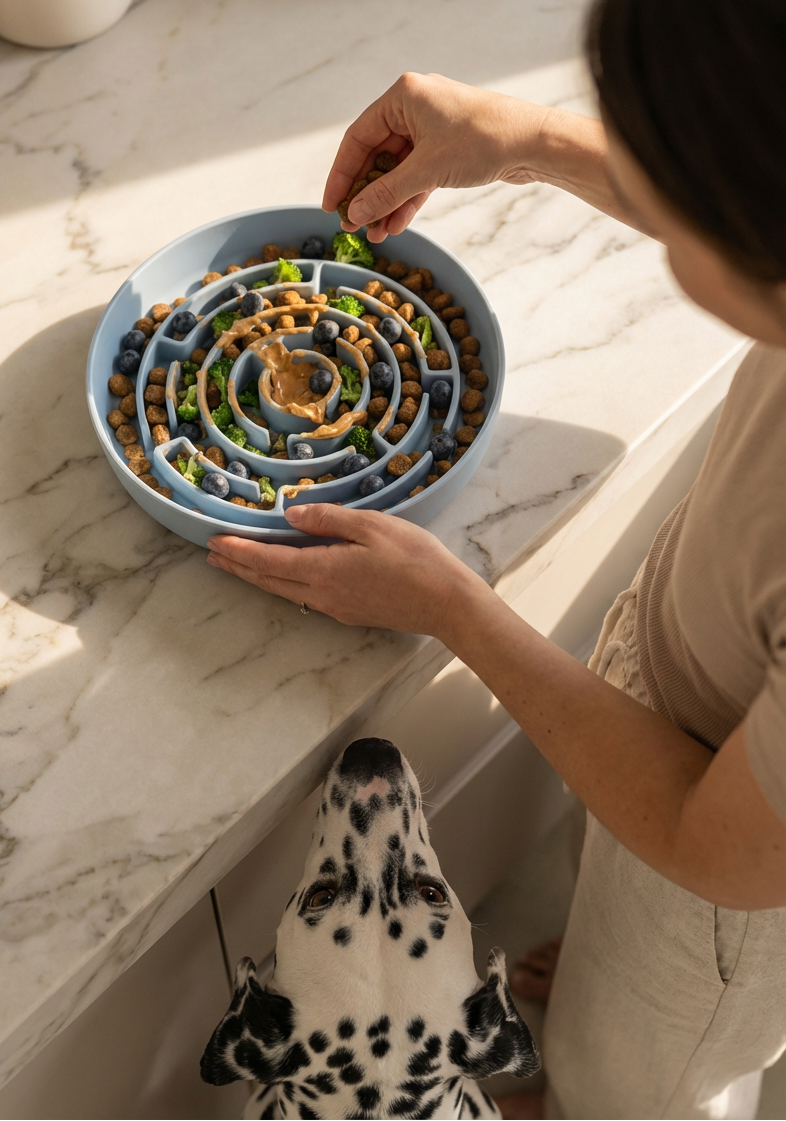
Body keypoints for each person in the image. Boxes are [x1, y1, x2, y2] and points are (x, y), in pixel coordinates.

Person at [206, 0, 786, 1116]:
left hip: (726, 900)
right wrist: (525, 141)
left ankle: (606, 1068)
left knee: (642, 1076)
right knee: (621, 939)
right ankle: (616, 990)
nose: (649, 198)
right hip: (703, 714)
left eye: (668, 197)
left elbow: (715, 854)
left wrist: (456, 610)